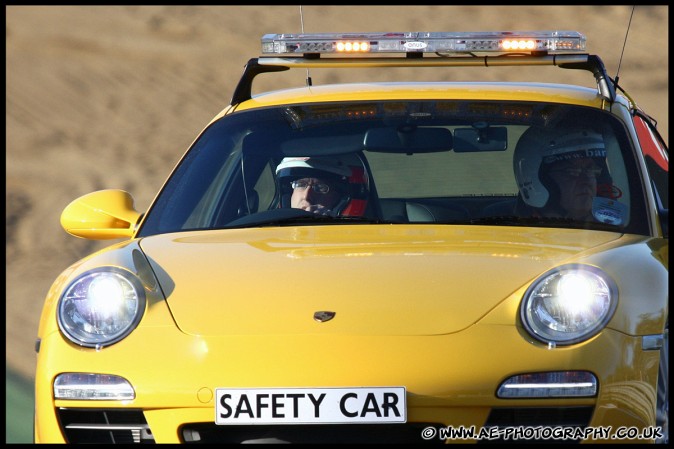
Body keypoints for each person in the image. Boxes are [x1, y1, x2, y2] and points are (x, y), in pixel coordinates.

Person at [513, 126, 613, 222]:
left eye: (590, 169)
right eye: (572, 171)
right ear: (542, 180)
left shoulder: (617, 228)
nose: (586, 179)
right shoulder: (522, 236)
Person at [275, 154, 370, 217]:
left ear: (338, 198)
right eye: (300, 185)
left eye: (320, 188)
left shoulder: (350, 240)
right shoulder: (269, 235)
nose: (306, 196)